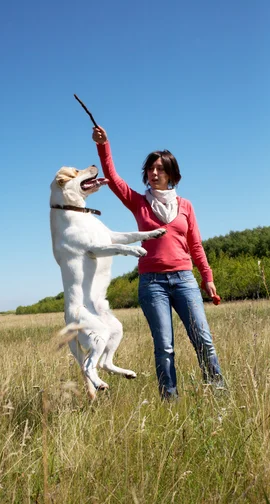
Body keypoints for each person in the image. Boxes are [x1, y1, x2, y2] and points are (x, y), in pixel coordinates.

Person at [92, 125, 224, 399]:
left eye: (160, 169)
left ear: (171, 174)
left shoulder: (185, 206)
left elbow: (195, 245)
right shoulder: (139, 202)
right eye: (151, 169)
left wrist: (207, 278)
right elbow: (114, 179)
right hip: (152, 284)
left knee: (204, 341)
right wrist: (103, 145)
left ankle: (219, 394)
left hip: (185, 280)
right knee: (164, 346)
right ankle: (169, 400)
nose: (154, 173)